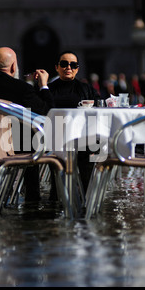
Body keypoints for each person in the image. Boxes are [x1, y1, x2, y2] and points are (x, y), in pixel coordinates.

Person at [0, 46, 54, 203]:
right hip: (21, 148)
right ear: (14, 67)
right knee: (35, 139)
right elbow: (47, 112)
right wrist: (44, 86)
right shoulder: (22, 89)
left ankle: (6, 190)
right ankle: (35, 199)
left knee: (26, 136)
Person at [48, 50, 100, 196]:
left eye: (73, 65)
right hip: (56, 136)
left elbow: (99, 108)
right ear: (57, 67)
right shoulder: (49, 90)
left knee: (93, 147)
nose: (68, 67)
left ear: (77, 69)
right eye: (64, 64)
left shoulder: (86, 89)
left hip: (83, 136)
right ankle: (58, 195)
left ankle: (88, 195)